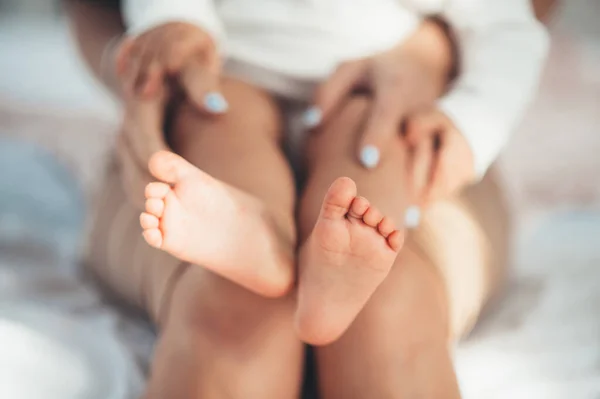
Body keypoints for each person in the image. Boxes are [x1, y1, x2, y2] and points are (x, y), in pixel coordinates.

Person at [66, 0, 548, 397]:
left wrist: (468, 125)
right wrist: (175, 22)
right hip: (223, 76)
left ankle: (327, 284)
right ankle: (262, 245)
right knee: (219, 129)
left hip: (374, 90)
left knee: (370, 158)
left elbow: (510, 29)